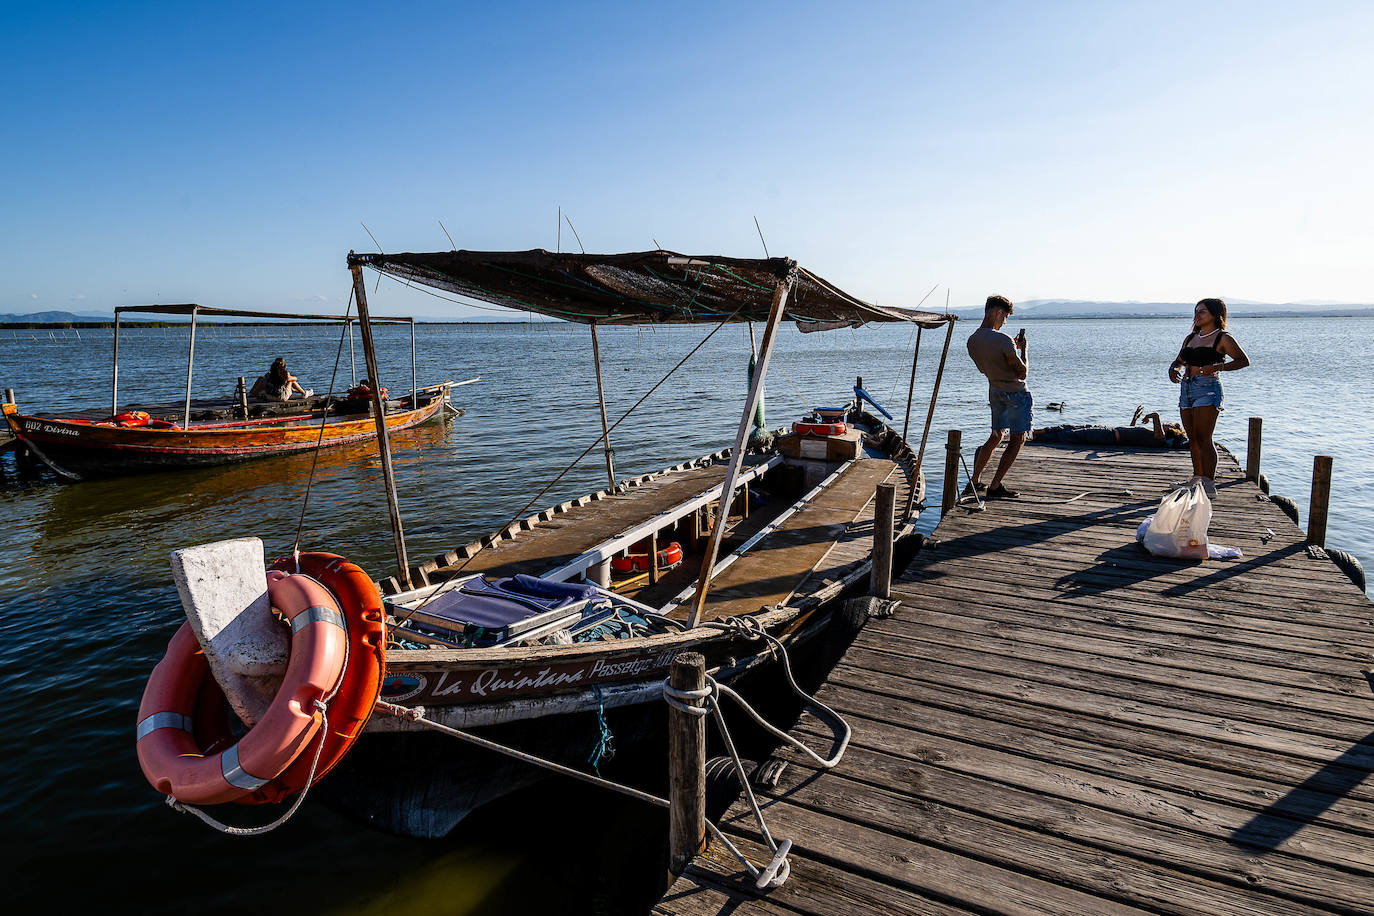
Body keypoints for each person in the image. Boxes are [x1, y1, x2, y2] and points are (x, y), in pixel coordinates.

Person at [1167, 298, 1250, 497]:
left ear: (1215, 314)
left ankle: (1209, 483)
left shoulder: (1222, 338)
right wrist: (1173, 369)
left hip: (1208, 388)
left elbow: (1243, 361)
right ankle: (1196, 478)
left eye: (1202, 312)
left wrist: (1218, 367)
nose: (1197, 315)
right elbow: (1178, 361)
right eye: (1196, 311)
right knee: (1193, 437)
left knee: (1205, 437)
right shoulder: (1190, 338)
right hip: (1186, 388)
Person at [964, 295, 1031, 499]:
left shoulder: (972, 341)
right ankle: (995, 486)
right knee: (1018, 438)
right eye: (1005, 318)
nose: (1004, 323)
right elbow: (1022, 372)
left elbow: (985, 369)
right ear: (998, 313)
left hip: (994, 390)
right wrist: (1024, 351)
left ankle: (974, 480)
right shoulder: (1004, 340)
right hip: (1016, 393)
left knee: (996, 435)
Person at [1033, 408, 1188, 448]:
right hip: (1107, 429)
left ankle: (1033, 438)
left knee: (1069, 435)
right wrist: (1135, 417)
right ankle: (1031, 433)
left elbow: (1159, 434)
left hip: (1107, 436)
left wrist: (1154, 416)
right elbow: (1131, 430)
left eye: (1169, 424)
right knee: (1065, 427)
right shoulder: (1154, 434)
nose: (1165, 423)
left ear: (1171, 430)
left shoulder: (1160, 439)